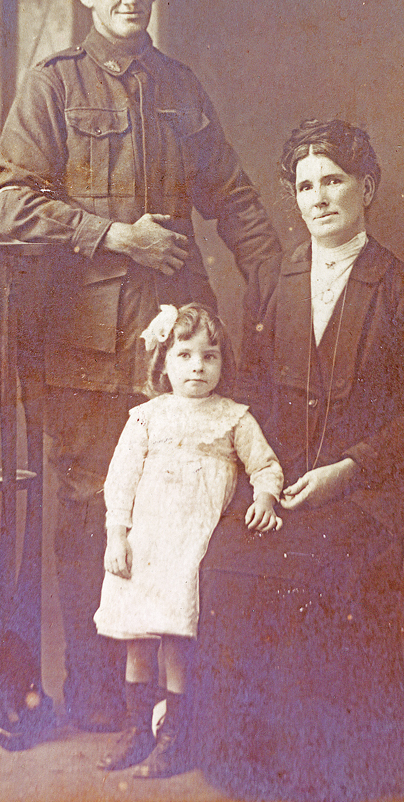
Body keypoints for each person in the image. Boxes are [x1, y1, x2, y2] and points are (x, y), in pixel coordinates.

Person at [0, 0, 280, 731]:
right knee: (95, 512)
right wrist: (117, 235)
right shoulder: (52, 86)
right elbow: (12, 202)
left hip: (179, 349)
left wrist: (280, 286)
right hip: (87, 349)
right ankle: (97, 698)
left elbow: (234, 197)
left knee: (190, 511)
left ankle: (177, 704)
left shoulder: (180, 87)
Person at [193, 119, 404, 801]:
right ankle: (249, 768)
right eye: (305, 186)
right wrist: (263, 480)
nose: (319, 198)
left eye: (333, 180)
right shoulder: (274, 281)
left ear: (368, 187)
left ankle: (334, 774)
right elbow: (248, 395)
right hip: (282, 483)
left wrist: (350, 469)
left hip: (367, 489)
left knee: (313, 569)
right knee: (224, 559)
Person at [93, 303, 283, 778]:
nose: (197, 366)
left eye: (209, 356)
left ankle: (173, 737)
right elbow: (120, 481)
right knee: (138, 636)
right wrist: (117, 535)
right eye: (184, 355)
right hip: (146, 542)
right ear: (163, 362)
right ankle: (137, 730)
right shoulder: (145, 417)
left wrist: (265, 498)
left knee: (177, 636)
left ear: (222, 364)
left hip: (192, 545)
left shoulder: (234, 418)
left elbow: (265, 465)